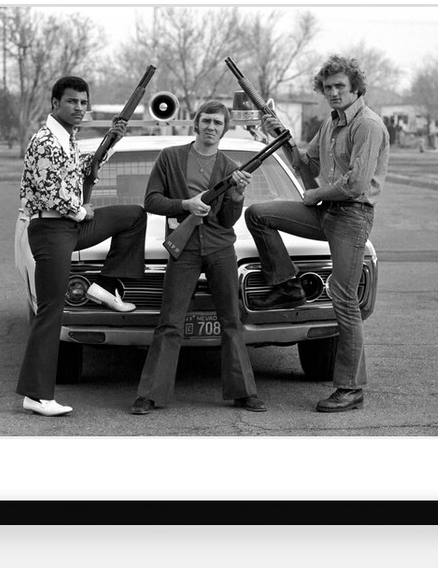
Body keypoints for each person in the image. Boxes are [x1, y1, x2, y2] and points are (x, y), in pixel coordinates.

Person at [244, 55, 389, 413]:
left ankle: (350, 389)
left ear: (356, 88)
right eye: (328, 87)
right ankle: (287, 285)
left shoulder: (368, 125)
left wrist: (316, 195)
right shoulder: (331, 124)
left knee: (343, 297)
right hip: (326, 213)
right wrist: (278, 134)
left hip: (352, 217)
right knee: (259, 214)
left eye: (341, 86)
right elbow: (305, 164)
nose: (334, 92)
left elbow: (355, 184)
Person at [17, 76, 147, 417]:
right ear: (55, 103)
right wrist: (80, 209)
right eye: (72, 101)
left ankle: (104, 287)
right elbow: (49, 192)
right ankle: (36, 395)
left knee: (133, 217)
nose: (79, 108)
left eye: (83, 103)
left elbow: (81, 174)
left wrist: (110, 143)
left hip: (72, 227)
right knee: (50, 312)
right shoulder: (45, 140)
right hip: (51, 229)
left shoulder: (69, 139)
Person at [130, 100, 265, 415]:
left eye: (218, 123)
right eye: (206, 121)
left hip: (220, 248)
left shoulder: (231, 167)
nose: (211, 128)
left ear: (224, 128)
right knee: (170, 322)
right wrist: (185, 205)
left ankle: (244, 392)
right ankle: (149, 394)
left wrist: (237, 195)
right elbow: (151, 200)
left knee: (231, 320)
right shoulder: (171, 158)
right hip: (185, 248)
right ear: (196, 123)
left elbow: (229, 219)